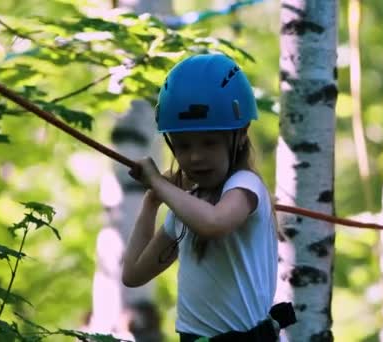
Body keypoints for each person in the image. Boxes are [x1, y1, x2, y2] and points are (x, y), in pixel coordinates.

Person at [122, 53, 295, 342]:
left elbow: (214, 224)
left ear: (239, 135)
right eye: (183, 145)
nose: (195, 157)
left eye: (209, 142)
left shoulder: (245, 186)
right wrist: (151, 202)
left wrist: (159, 184)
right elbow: (133, 274)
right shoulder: (185, 209)